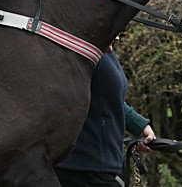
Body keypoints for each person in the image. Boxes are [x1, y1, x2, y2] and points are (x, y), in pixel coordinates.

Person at [55, 40, 156, 187]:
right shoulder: (84, 47)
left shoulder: (107, 49)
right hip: (81, 169)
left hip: (102, 168)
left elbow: (109, 98)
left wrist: (140, 127)